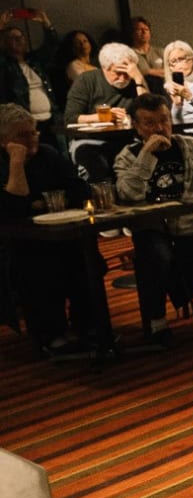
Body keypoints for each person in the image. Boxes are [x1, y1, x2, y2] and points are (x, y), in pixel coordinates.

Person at [113, 93, 193, 346]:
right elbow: (127, 192)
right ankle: (157, 323)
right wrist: (147, 154)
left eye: (164, 120)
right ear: (136, 127)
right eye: (149, 123)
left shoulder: (188, 145)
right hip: (154, 227)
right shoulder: (128, 156)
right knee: (155, 255)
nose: (160, 128)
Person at [0, 103, 97, 354]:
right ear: (4, 140)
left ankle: (87, 325)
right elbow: (13, 208)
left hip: (59, 234)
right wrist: (16, 162)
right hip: (16, 241)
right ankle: (50, 334)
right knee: (35, 265)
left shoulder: (48, 154)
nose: (32, 139)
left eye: (33, 132)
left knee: (86, 257)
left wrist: (39, 202)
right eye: (23, 135)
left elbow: (81, 192)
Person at [0, 10, 62, 153]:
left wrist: (46, 24)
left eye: (20, 37)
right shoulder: (4, 64)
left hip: (49, 120)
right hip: (24, 123)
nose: (17, 40)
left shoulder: (33, 61)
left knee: (55, 156)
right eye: (11, 38)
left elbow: (52, 46)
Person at [63, 42, 166, 126]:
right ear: (104, 68)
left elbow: (149, 113)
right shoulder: (86, 80)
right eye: (117, 73)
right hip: (94, 139)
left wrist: (139, 80)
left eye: (127, 73)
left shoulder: (136, 79)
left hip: (131, 136)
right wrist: (104, 117)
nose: (123, 78)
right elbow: (70, 118)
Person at [50, 28, 97, 94]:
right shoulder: (74, 65)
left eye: (85, 41)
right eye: (78, 42)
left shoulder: (96, 66)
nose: (82, 44)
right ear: (72, 47)